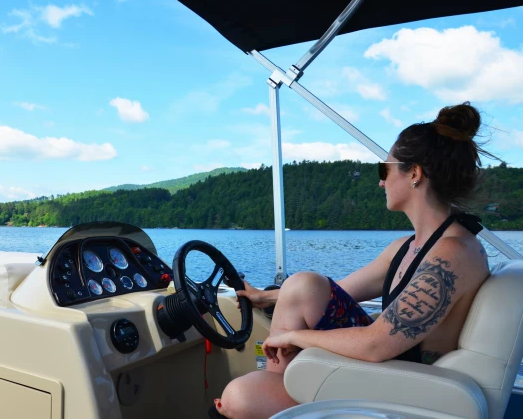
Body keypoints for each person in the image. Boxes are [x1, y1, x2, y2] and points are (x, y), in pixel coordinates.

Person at [212, 103, 495, 419]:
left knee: (239, 396)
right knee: (304, 284)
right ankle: (283, 385)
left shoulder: (453, 253)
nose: (380, 182)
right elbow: (337, 290)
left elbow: (376, 344)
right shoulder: (409, 246)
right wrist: (263, 297)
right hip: (386, 368)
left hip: (405, 387)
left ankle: (278, 392)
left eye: (383, 170)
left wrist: (292, 336)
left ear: (414, 174)